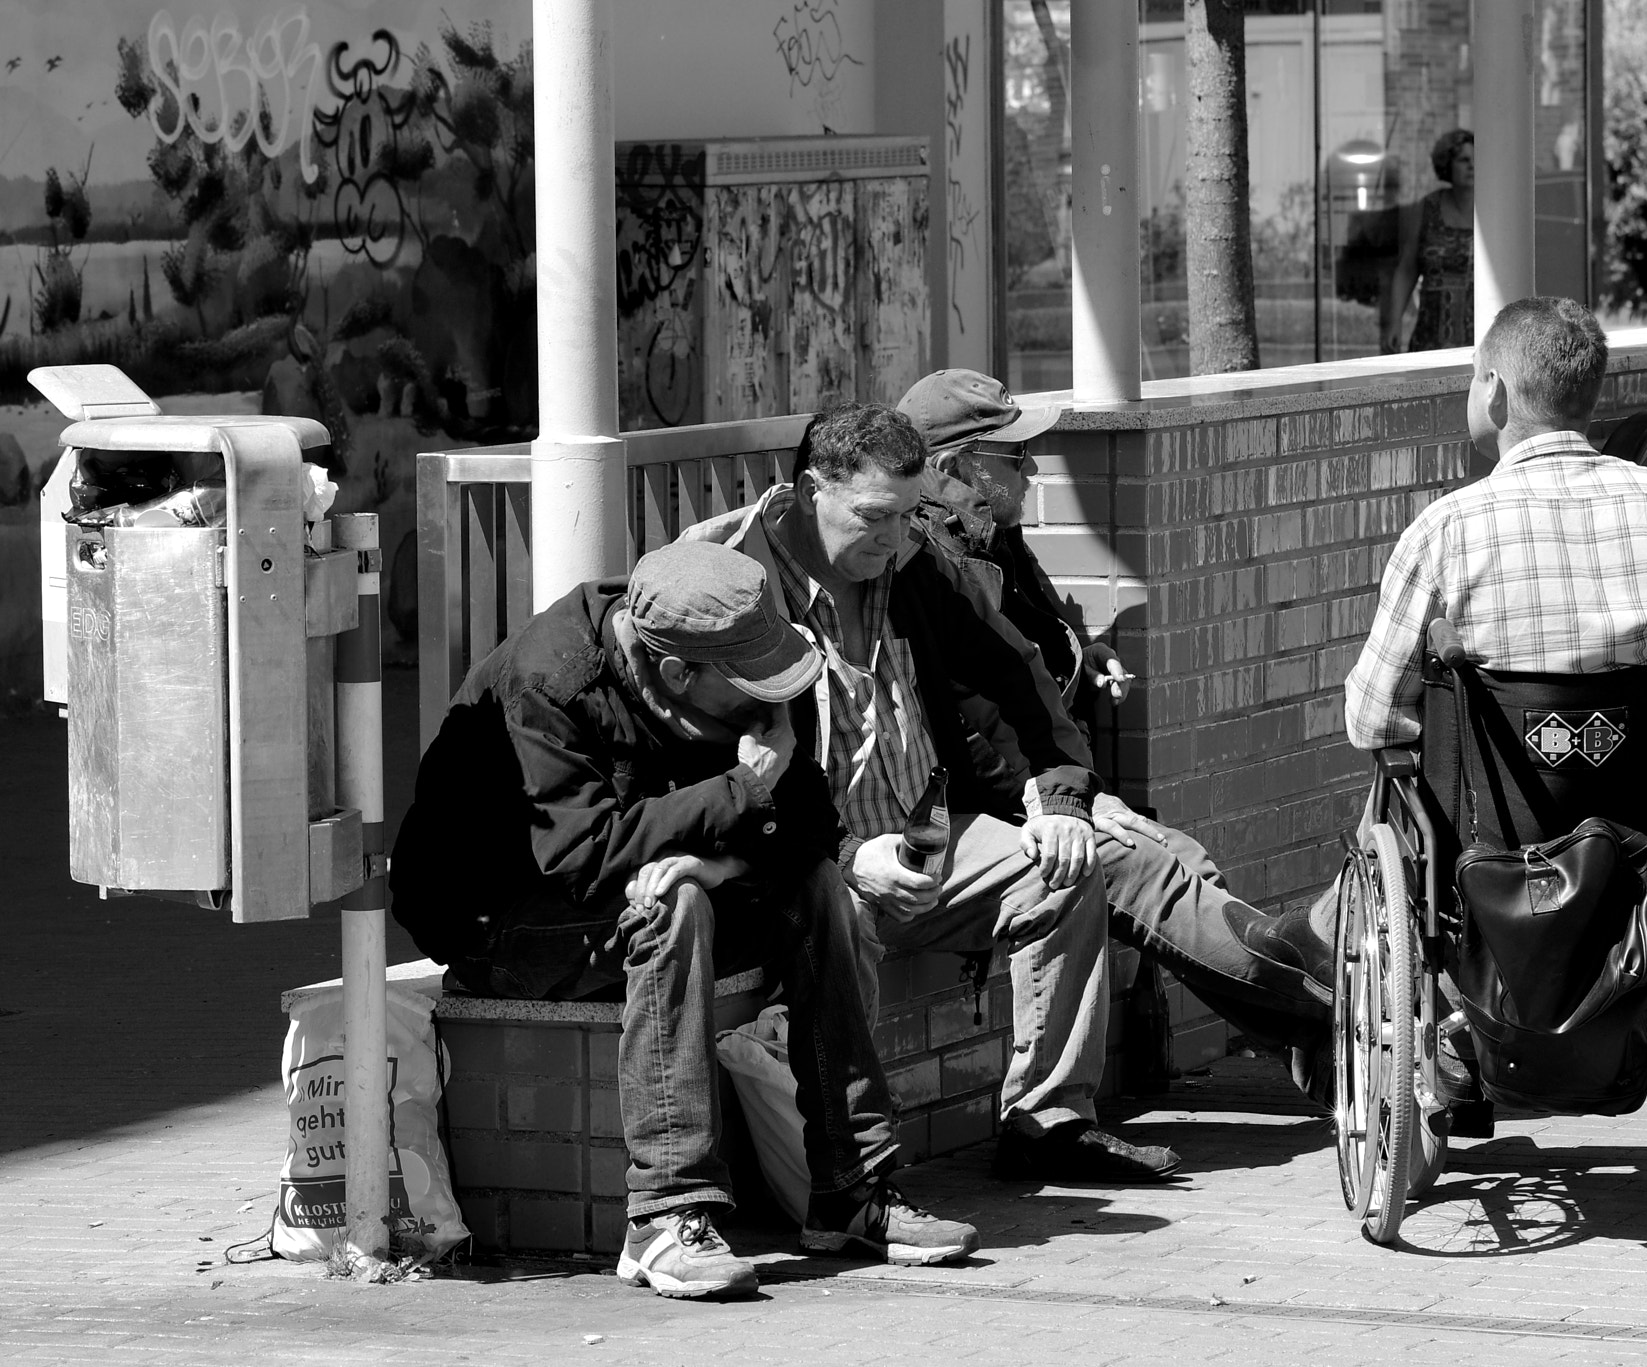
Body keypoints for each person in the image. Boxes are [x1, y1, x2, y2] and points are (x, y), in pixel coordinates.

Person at [389, 540, 978, 1300]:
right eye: (748, 694)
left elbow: (806, 826)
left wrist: (725, 860)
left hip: (649, 882)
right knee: (668, 902)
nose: (771, 706)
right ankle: (665, 1216)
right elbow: (585, 859)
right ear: (675, 675)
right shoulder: (553, 683)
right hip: (501, 922)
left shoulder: (743, 649)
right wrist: (738, 791)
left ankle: (852, 1186)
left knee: (821, 885)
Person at [682, 402, 1183, 1184]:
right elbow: (715, 769)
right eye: (876, 517)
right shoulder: (736, 583)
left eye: (910, 515)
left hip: (925, 845)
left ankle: (1048, 1120)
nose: (893, 538)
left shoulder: (913, 561)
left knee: (1064, 867)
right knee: (836, 913)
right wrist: (848, 856)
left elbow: (1020, 673)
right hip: (805, 863)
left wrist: (1059, 796)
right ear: (815, 489)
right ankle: (854, 1168)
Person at [1341, 295, 1647, 1107]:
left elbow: (1370, 717)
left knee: (1399, 782)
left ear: (1497, 394)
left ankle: (1454, 1045)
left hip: (1493, 866)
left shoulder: (1445, 531)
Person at [893, 369, 1338, 1056]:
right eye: (1014, 455)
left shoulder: (987, 528)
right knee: (1144, 860)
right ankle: (1326, 1008)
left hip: (1046, 781)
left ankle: (1310, 1035)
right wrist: (1064, 799)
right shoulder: (927, 562)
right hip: (996, 801)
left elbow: (1033, 634)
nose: (1033, 466)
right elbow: (966, 726)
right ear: (954, 470)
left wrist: (1082, 649)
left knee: (1183, 854)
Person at [1382, 129, 1475, 354]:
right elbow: (1407, 269)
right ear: (1447, 165)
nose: (1472, 166)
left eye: (1476, 159)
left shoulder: (1494, 212)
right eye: (1464, 160)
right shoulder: (1426, 210)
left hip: (1481, 342)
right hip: (1430, 340)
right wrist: (1394, 322)